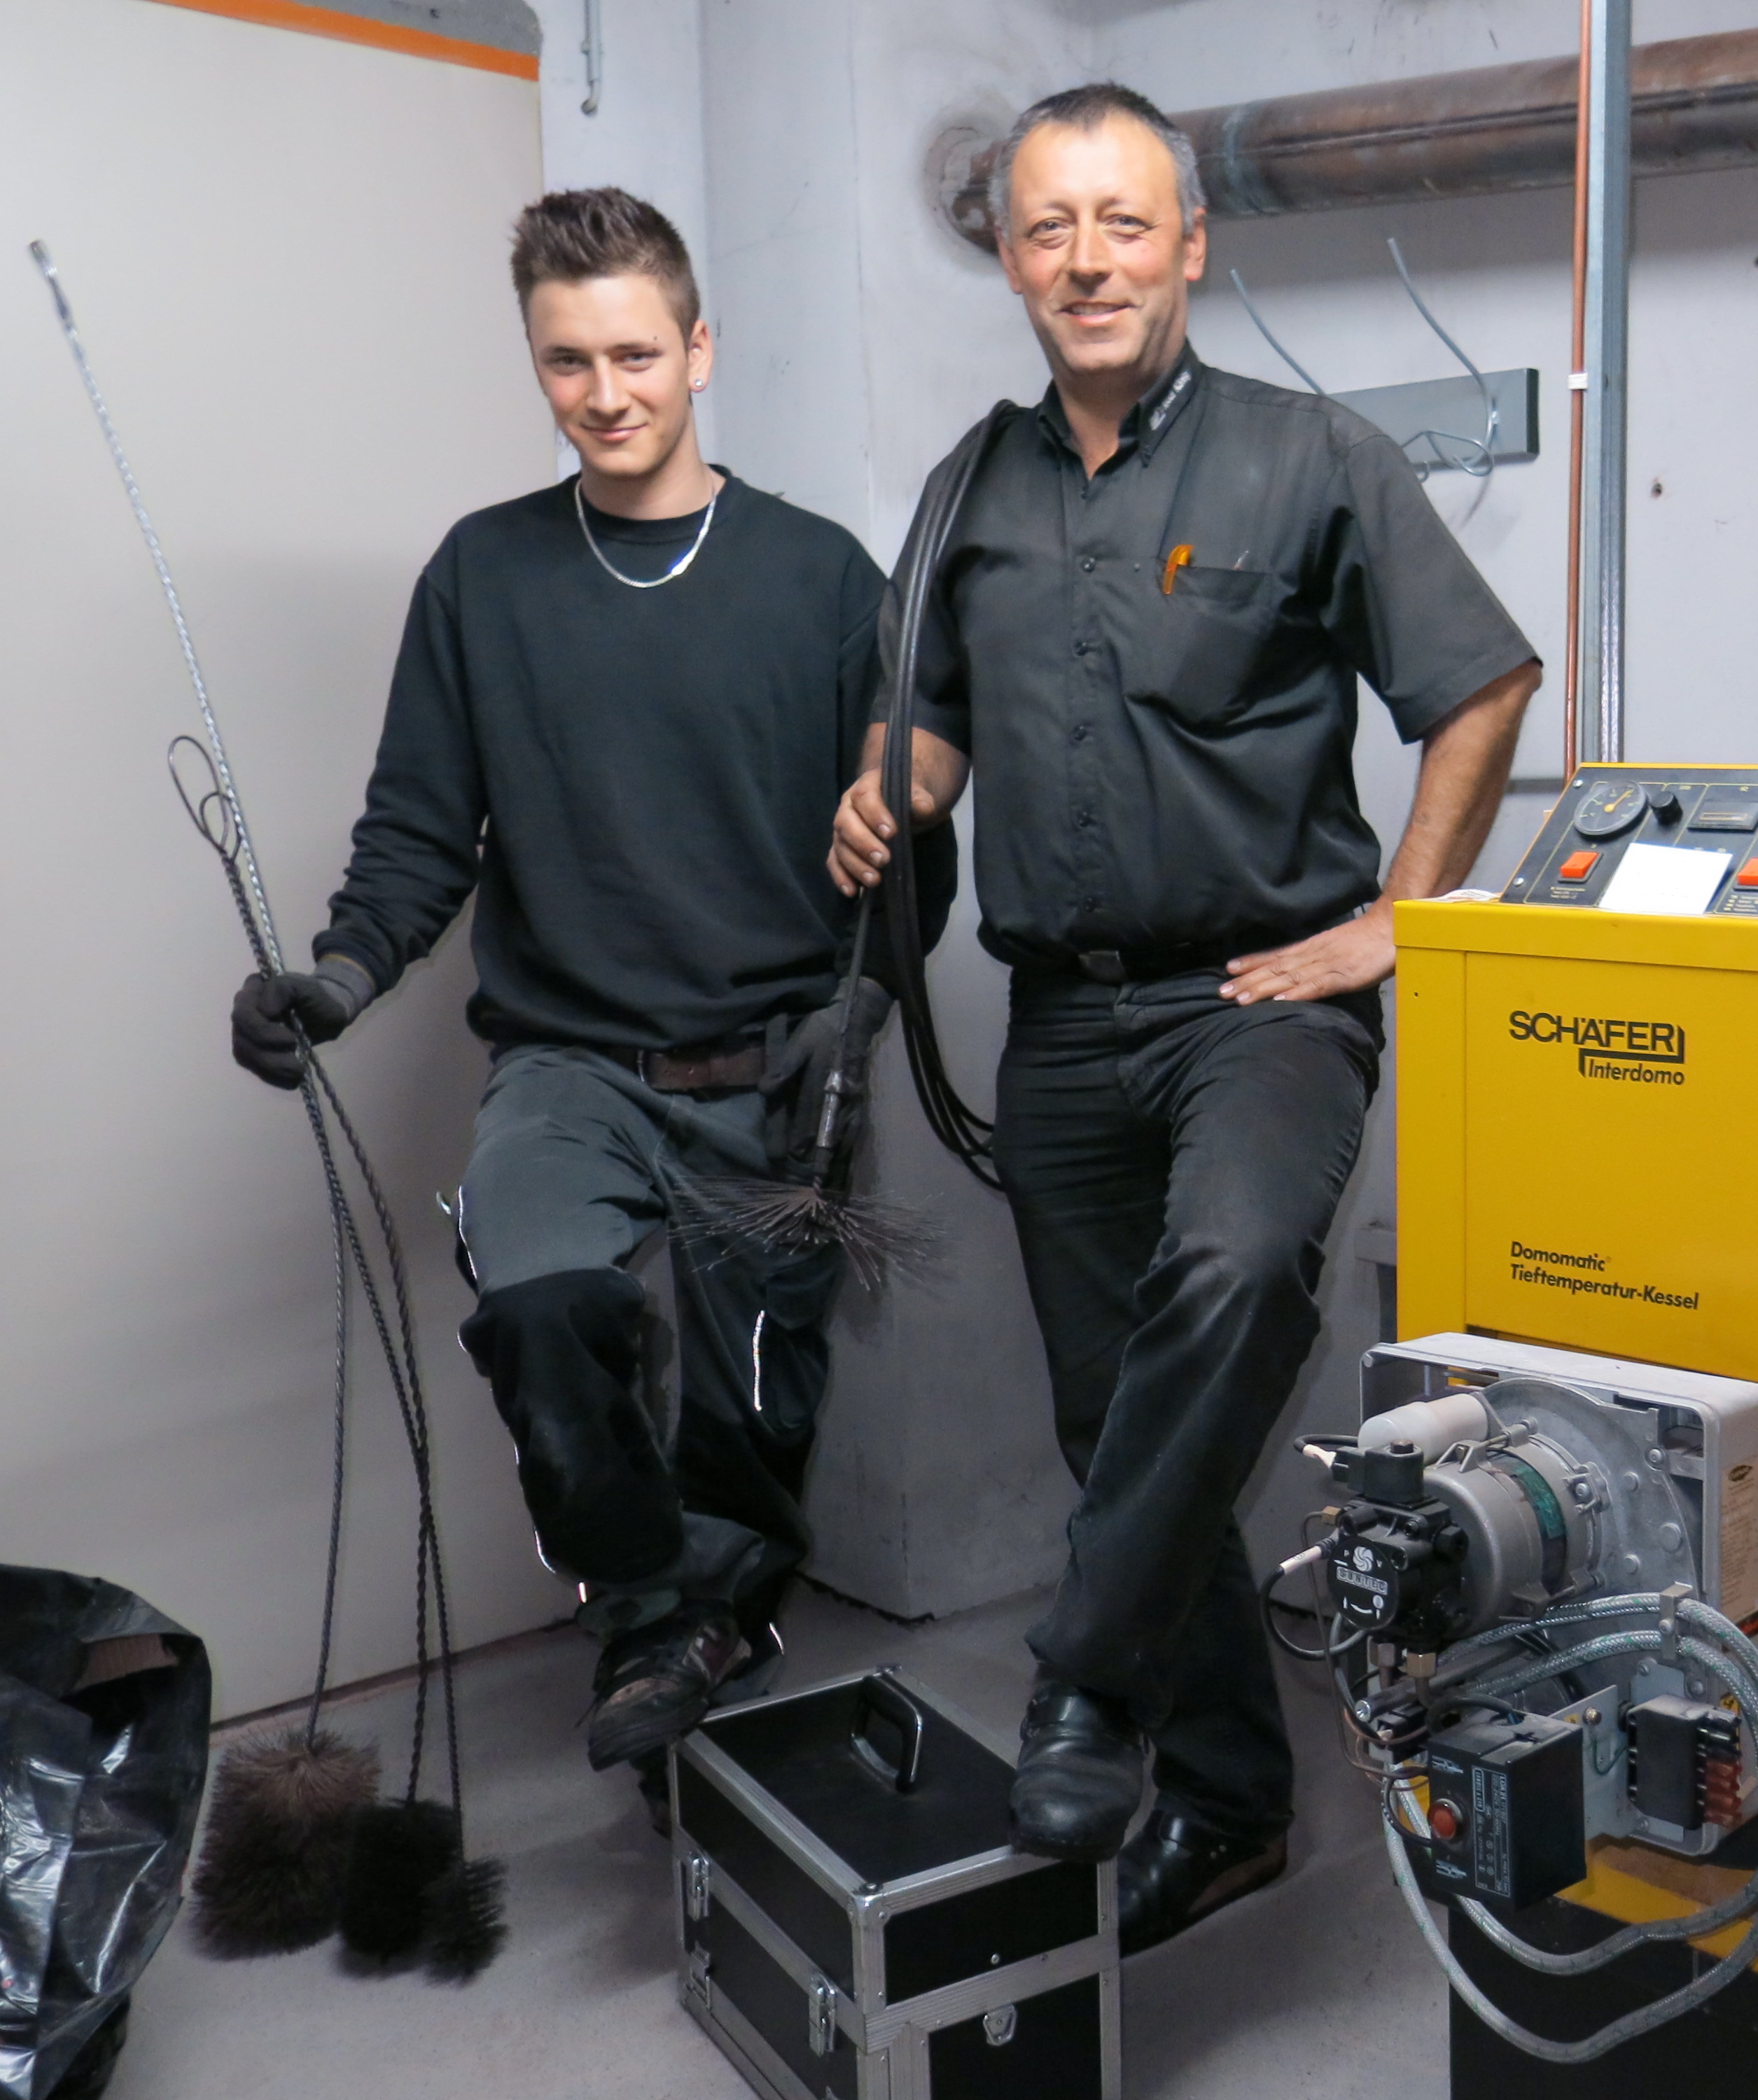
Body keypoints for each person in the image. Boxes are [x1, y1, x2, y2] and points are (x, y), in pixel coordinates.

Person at [831, 83, 1538, 1951]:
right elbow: (936, 714)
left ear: (1191, 248)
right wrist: (893, 785)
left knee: (1230, 1285)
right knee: (1113, 1417)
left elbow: (1481, 684)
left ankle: (1084, 1682)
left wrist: (1399, 918)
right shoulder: (966, 491)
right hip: (1059, 1023)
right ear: (1011, 257)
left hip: (1260, 1004)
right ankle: (1230, 1809)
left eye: (1124, 222)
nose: (1088, 260)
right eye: (1050, 226)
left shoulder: (1313, 460)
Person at [228, 188, 948, 1817]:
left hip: (773, 1069)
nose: (605, 393)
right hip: (568, 1065)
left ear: (699, 350)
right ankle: (649, 1616)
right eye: (568, 362)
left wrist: (868, 981)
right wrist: (334, 981)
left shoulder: (821, 579)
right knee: (545, 1312)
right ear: (536, 364)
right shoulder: (483, 577)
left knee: (751, 1420)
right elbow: (418, 833)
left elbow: (912, 860)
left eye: (634, 355)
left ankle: (702, 1632)